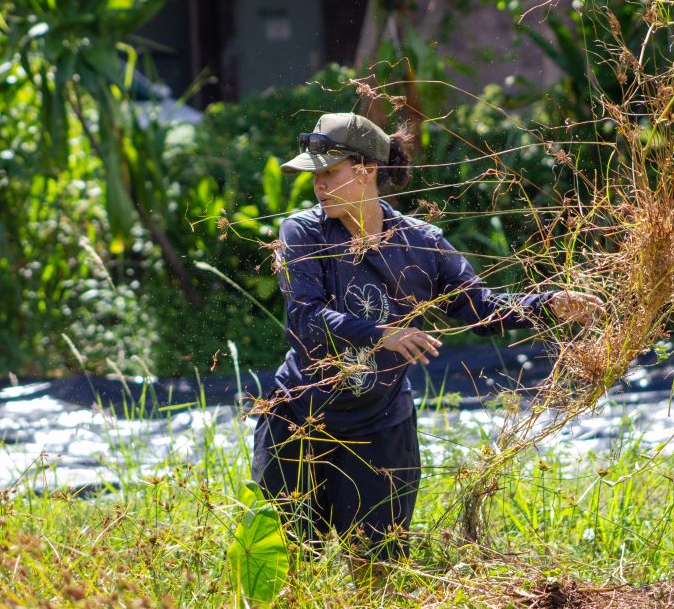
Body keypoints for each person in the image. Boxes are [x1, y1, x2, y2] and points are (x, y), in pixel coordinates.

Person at [251, 112, 601, 571]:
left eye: (328, 172)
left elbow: (479, 309)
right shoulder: (304, 232)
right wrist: (384, 334)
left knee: (378, 565)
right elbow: (305, 317)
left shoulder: (421, 243)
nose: (318, 185)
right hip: (300, 418)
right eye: (314, 175)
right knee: (293, 564)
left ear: (366, 169)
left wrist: (547, 303)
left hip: (378, 426)